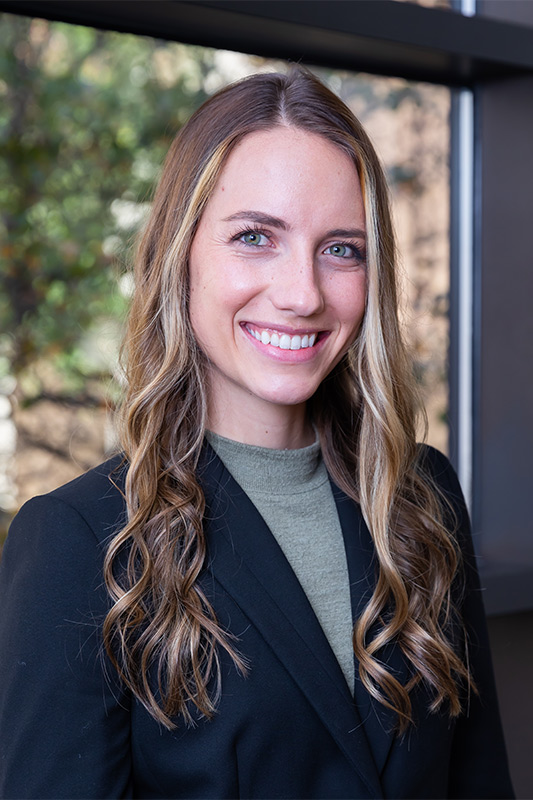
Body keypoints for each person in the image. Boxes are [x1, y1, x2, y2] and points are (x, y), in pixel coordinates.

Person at [0, 68, 513, 800]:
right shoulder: (79, 541)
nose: (301, 294)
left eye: (341, 249)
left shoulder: (421, 496)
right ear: (180, 257)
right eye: (253, 237)